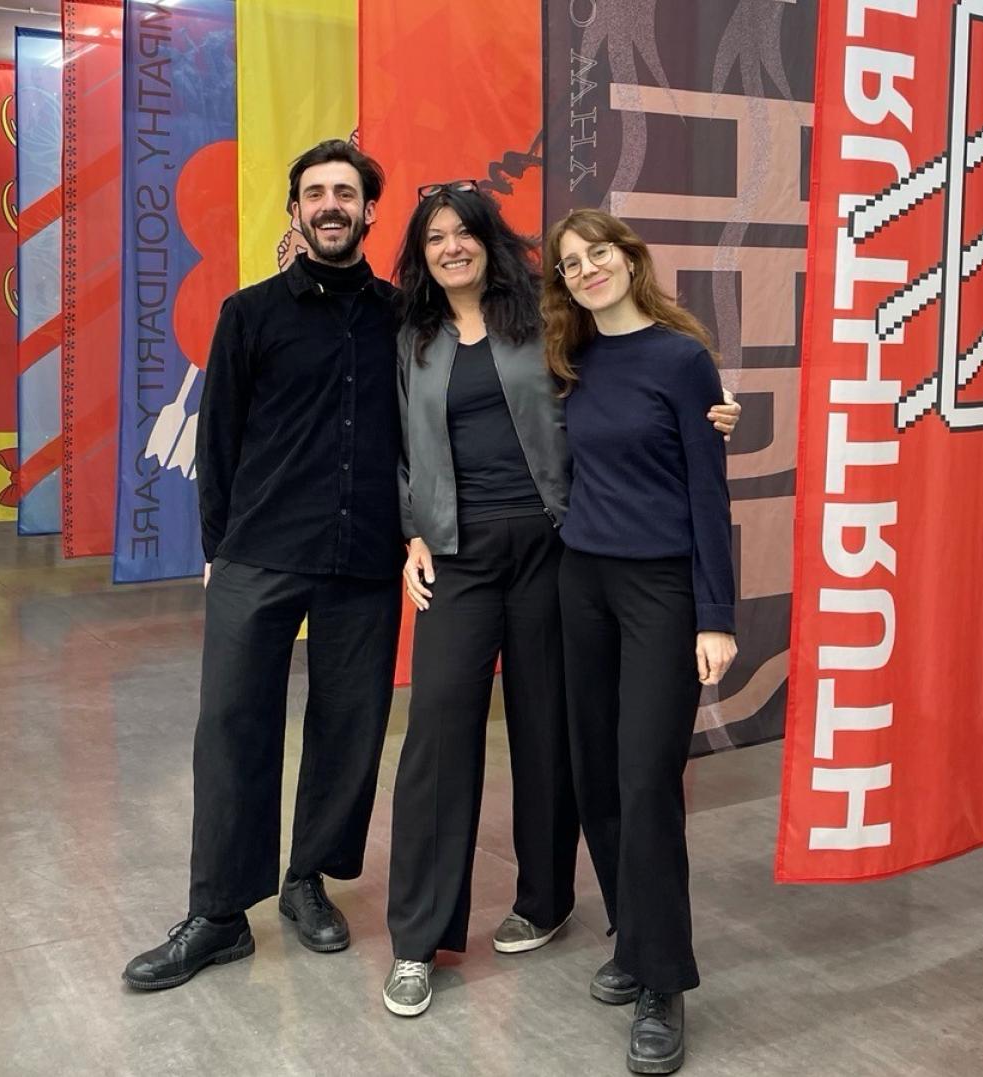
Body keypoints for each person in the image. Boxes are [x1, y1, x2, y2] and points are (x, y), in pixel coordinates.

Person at [381, 186, 743, 1018]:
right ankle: (417, 938)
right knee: (442, 726)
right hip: (470, 552)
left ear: (490, 242)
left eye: (465, 232)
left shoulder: (543, 326)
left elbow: (652, 391)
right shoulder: (419, 337)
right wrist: (411, 534)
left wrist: (712, 414)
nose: (452, 247)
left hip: (556, 542)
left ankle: (552, 903)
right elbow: (402, 447)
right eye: (435, 237)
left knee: (561, 737)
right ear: (421, 252)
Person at [123, 139, 404, 990]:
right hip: (259, 551)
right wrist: (217, 549)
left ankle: (307, 881)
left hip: (364, 552)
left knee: (349, 726)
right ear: (294, 211)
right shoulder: (248, 314)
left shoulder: (401, 316)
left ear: (368, 212)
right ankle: (217, 913)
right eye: (315, 192)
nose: (330, 204)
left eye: (345, 193)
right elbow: (219, 438)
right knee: (233, 726)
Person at [541, 208, 738, 1075]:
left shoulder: (683, 359)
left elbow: (707, 494)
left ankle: (663, 981)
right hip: (580, 582)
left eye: (598, 254)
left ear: (630, 258)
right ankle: (632, 936)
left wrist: (716, 615)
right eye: (571, 263)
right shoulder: (570, 361)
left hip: (660, 588)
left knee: (646, 776)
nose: (587, 270)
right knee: (597, 773)